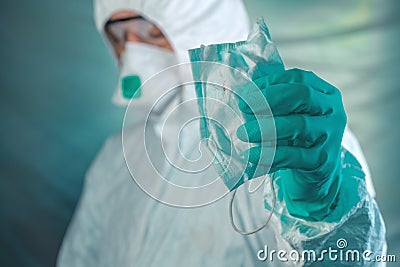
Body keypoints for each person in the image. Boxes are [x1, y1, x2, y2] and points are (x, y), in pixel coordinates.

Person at [57, 0, 386, 266]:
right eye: (119, 35)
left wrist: (322, 214)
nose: (133, 53)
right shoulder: (116, 158)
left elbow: (352, 257)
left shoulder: (292, 144)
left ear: (201, 28)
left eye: (150, 32)